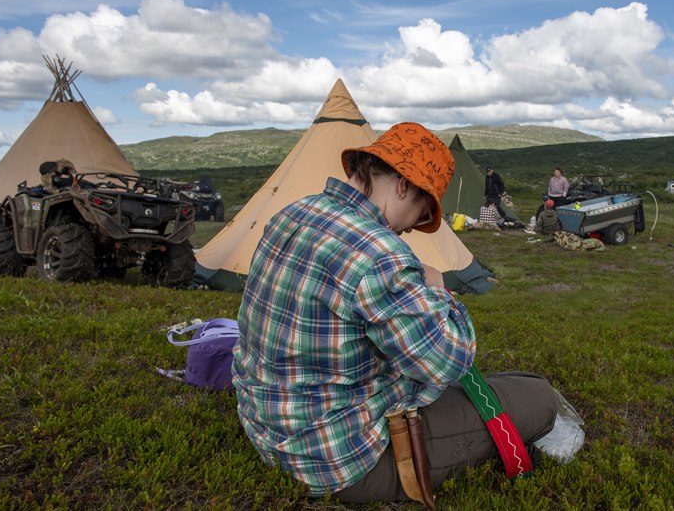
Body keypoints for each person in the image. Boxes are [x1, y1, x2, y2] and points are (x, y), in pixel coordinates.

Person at [232, 122, 557, 504]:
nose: (413, 228)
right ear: (403, 186)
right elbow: (449, 363)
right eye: (422, 212)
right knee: (539, 397)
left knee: (507, 384)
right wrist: (439, 292)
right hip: (339, 460)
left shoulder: (292, 213)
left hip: (267, 427)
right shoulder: (380, 252)